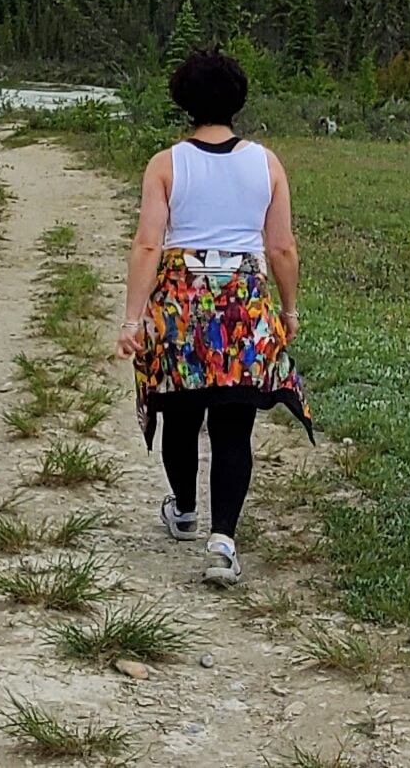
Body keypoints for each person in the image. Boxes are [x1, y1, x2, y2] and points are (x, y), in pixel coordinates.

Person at [116, 48, 311, 586]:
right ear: (237, 101)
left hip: (180, 304)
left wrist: (133, 320)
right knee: (233, 425)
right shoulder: (266, 164)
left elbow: (149, 245)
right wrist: (288, 311)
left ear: (185, 103)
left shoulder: (166, 164)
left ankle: (182, 509)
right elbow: (282, 250)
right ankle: (223, 540)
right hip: (244, 308)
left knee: (179, 413)